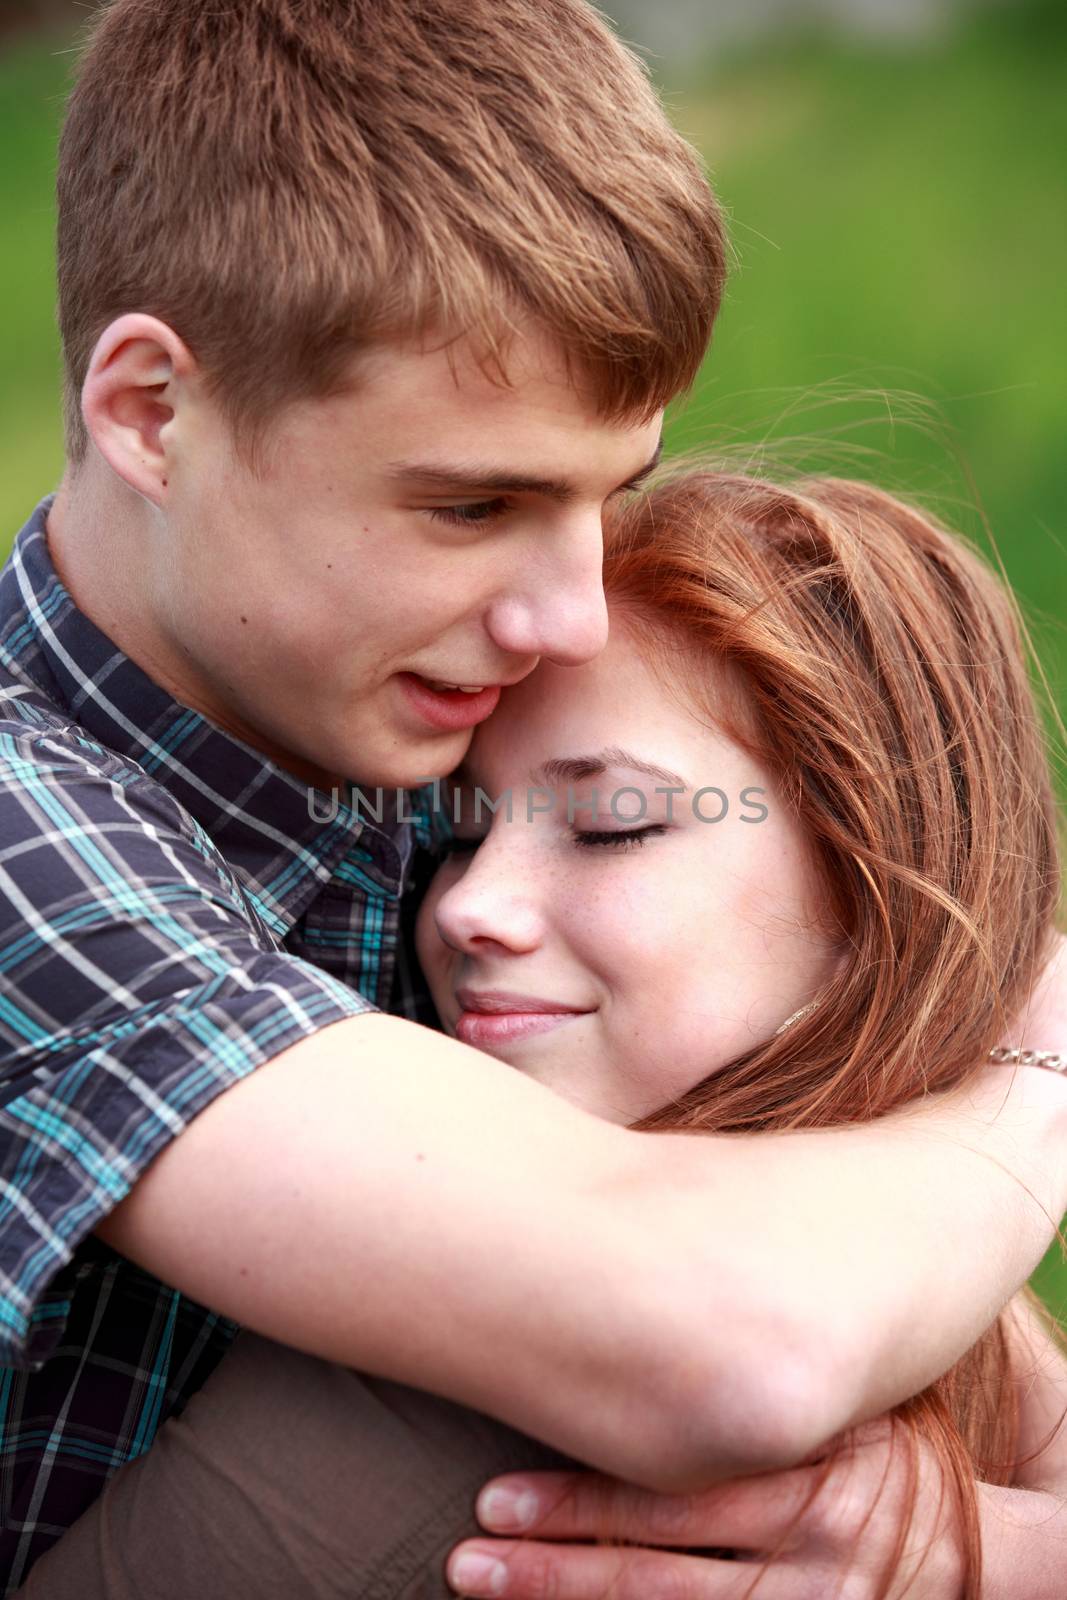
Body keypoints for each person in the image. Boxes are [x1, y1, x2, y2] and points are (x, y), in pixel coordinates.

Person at [2, 0, 1066, 1593]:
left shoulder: (433, 745)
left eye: (603, 492)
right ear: (152, 412)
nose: (565, 616)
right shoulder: (30, 828)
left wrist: (964, 1550)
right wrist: (1025, 1044)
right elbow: (729, 1349)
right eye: (472, 503)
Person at [17, 469, 1067, 1600]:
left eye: (611, 826)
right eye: (456, 835)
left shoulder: (918, 1270)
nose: (468, 905)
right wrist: (1034, 1066)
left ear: (875, 897)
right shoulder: (539, 1346)